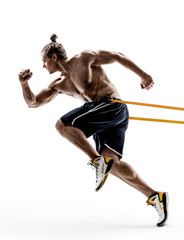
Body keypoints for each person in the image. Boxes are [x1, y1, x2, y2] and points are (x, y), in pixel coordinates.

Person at [18, 34, 168, 226]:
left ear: (54, 57)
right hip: (104, 117)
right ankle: (155, 196)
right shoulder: (59, 84)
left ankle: (96, 161)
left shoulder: (84, 58)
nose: (43, 66)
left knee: (62, 125)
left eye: (44, 61)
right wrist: (24, 84)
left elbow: (117, 56)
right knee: (112, 164)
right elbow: (33, 103)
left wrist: (144, 75)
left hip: (112, 106)